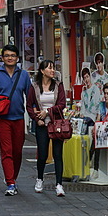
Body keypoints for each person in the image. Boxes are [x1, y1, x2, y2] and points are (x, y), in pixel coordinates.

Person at [0, 44, 32, 196]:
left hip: (18, 117)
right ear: (2, 58)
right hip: (2, 118)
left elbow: (30, 96)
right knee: (6, 151)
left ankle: (12, 177)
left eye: (13, 55)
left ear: (17, 58)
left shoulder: (23, 75)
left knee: (17, 151)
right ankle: (10, 182)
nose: (10, 58)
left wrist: (35, 112)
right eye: (7, 55)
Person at [26, 60, 66, 197]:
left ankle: (59, 184)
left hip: (56, 125)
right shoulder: (35, 86)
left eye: (53, 68)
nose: (52, 70)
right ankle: (40, 179)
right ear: (42, 71)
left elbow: (62, 104)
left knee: (58, 155)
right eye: (49, 68)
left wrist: (48, 111)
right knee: (42, 154)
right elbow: (29, 105)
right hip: (42, 126)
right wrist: (37, 119)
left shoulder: (58, 85)